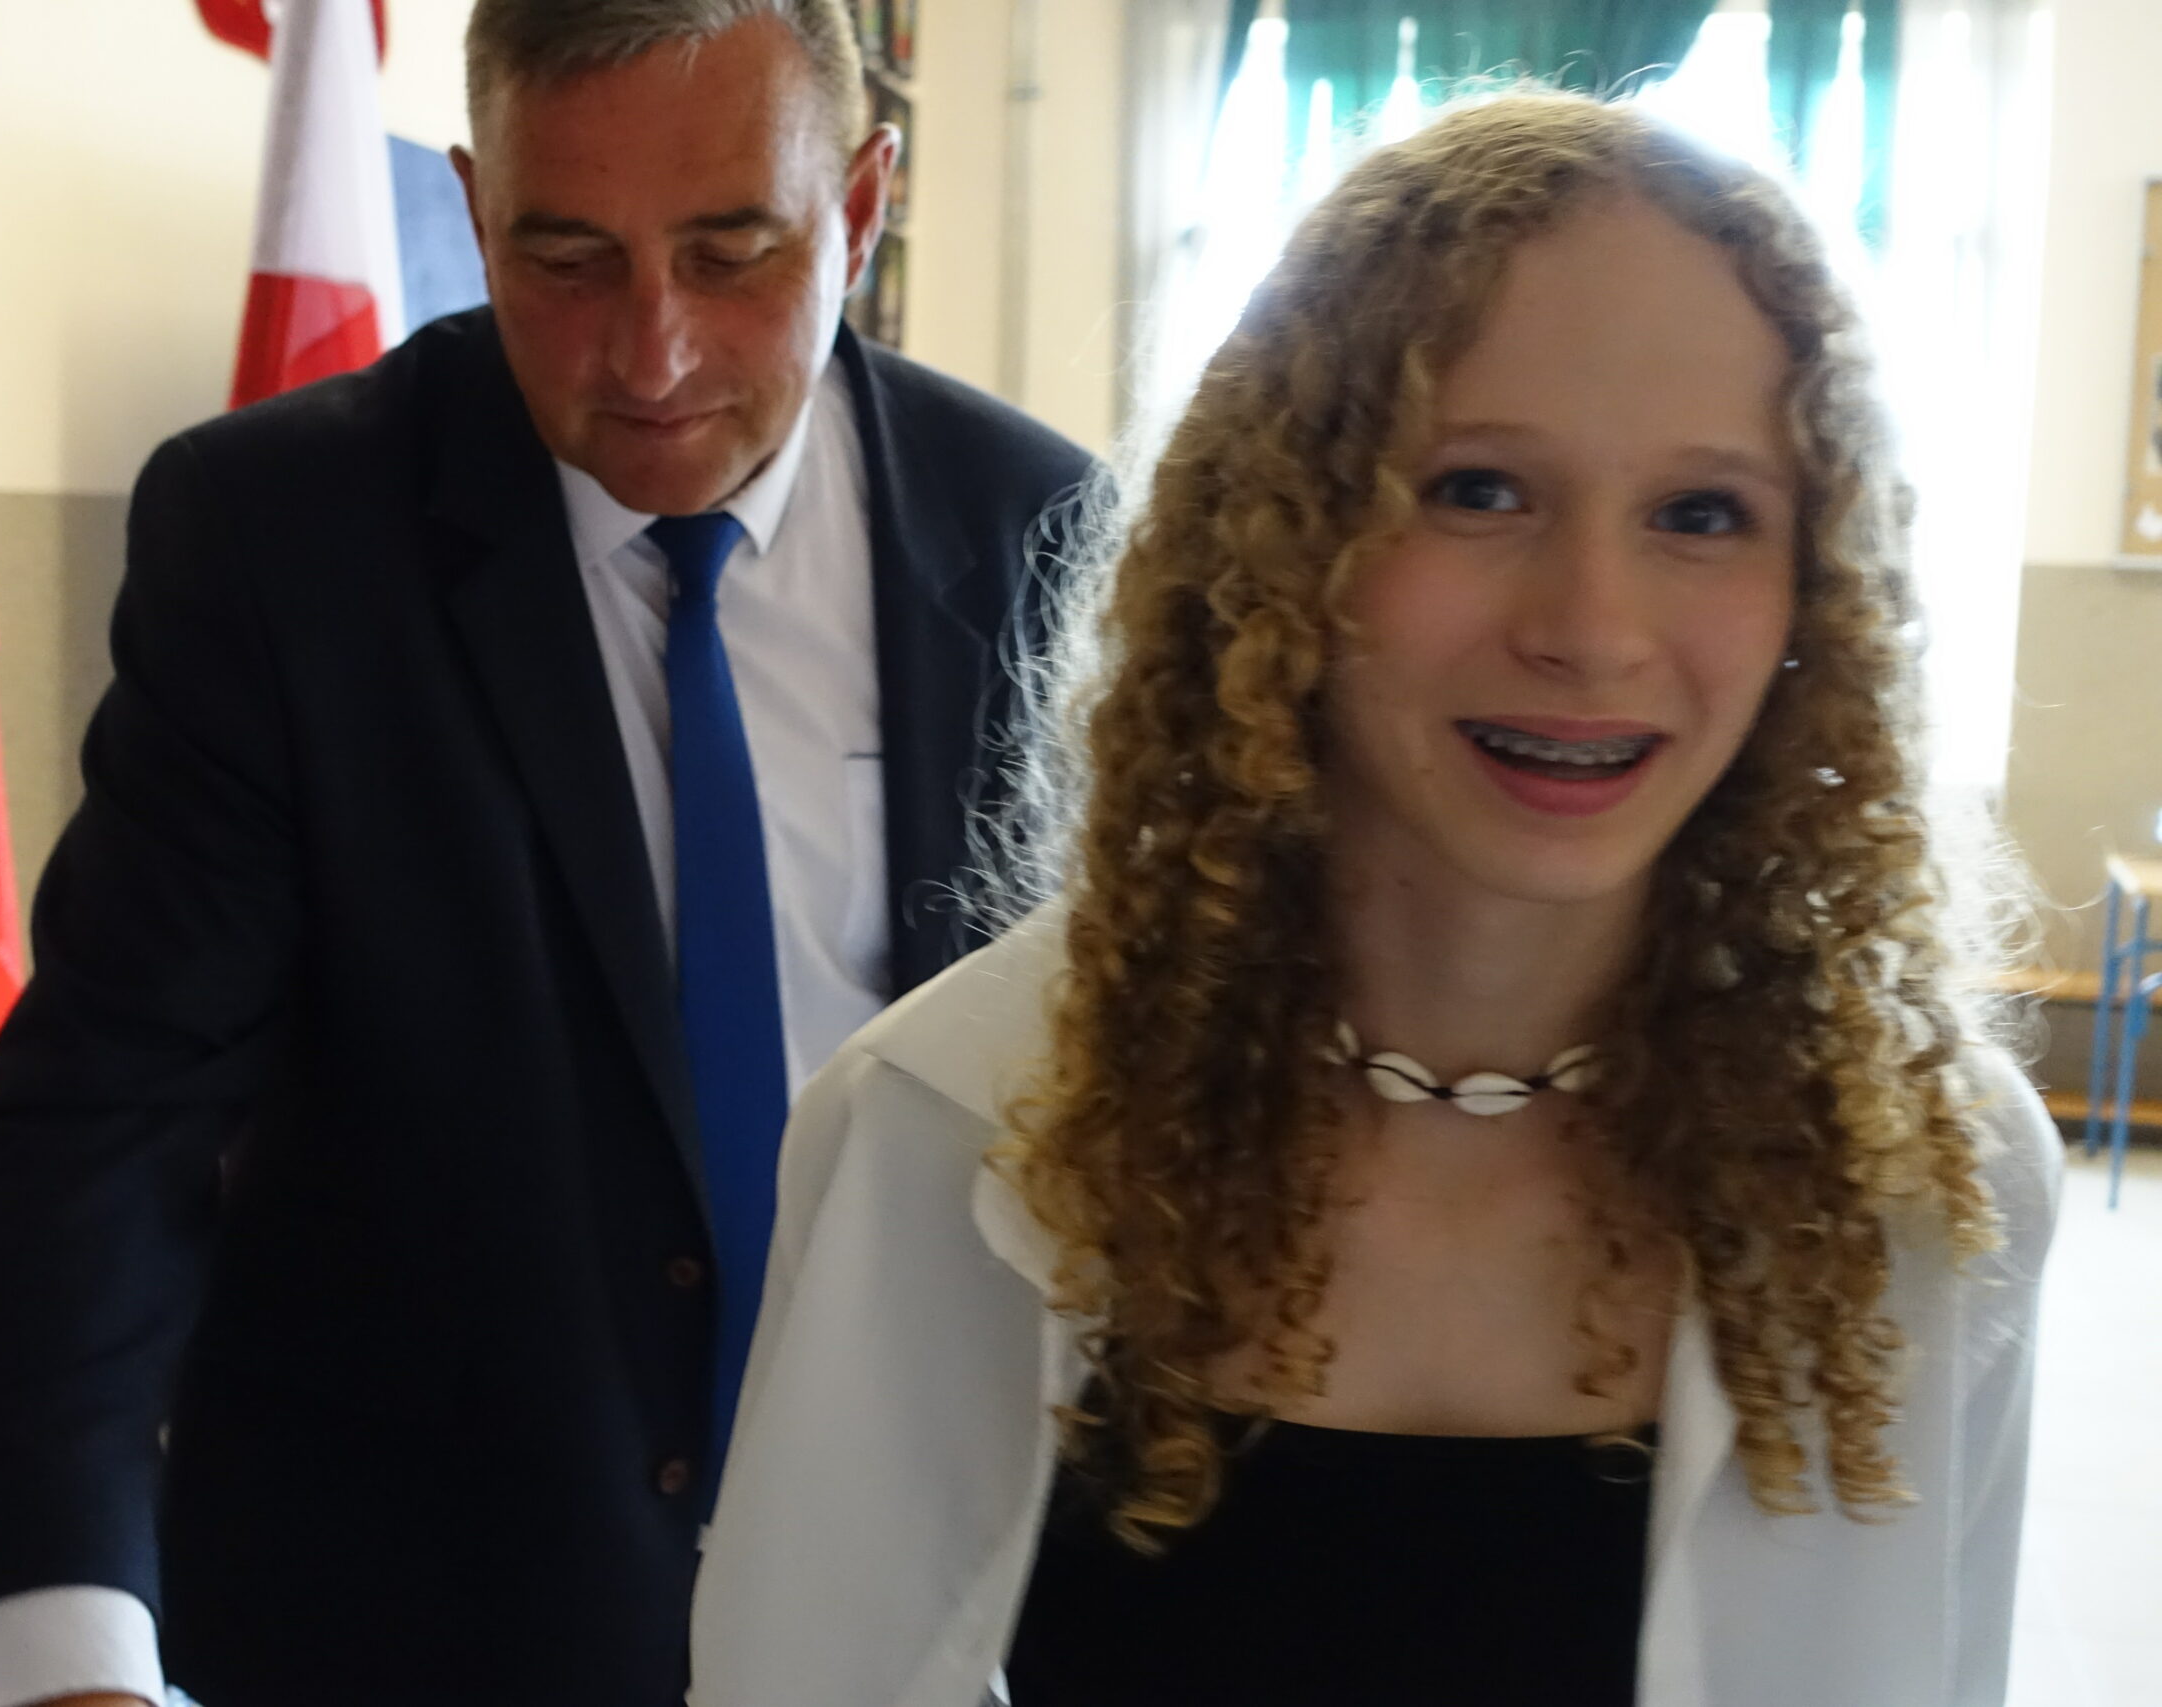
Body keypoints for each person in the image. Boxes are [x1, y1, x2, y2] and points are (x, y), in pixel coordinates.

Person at [690, 92, 2063, 1707]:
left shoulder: (1927, 1183)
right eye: (1479, 490)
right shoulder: (947, 1129)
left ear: (1814, 592)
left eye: (1703, 515)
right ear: (1285, 545)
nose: (1591, 628)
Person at [0, 4, 1096, 1705]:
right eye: (566, 260)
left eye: (732, 255)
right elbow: (103, 1128)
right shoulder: (279, 544)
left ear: (860, 202)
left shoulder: (1043, 536)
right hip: (412, 1623)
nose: (651, 356)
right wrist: (56, 1654)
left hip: (923, 1612)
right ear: (476, 211)